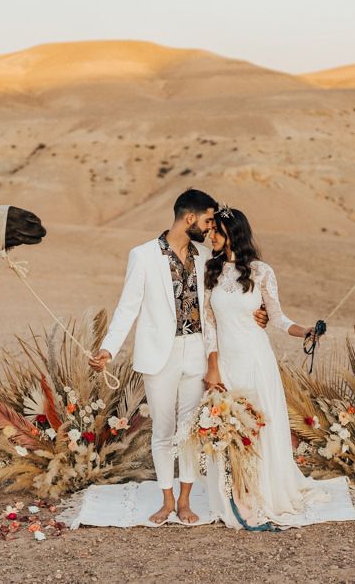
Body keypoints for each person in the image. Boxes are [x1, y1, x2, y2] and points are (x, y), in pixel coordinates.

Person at [89, 190, 267, 524]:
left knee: (188, 429)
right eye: (208, 219)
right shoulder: (142, 256)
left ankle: (185, 501)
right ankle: (166, 500)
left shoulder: (204, 256)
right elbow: (128, 307)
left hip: (197, 350)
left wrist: (261, 315)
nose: (211, 227)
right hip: (160, 354)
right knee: (164, 430)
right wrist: (107, 349)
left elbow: (228, 296)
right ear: (190, 218)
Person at [202, 205, 333, 528]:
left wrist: (305, 331)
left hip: (256, 360)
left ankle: (263, 492)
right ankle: (234, 495)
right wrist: (213, 367)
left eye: (216, 230)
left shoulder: (261, 272)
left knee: (259, 427)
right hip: (227, 363)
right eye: (210, 230)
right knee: (230, 427)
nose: (211, 236)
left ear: (233, 233)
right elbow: (209, 326)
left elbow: (276, 317)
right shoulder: (210, 270)